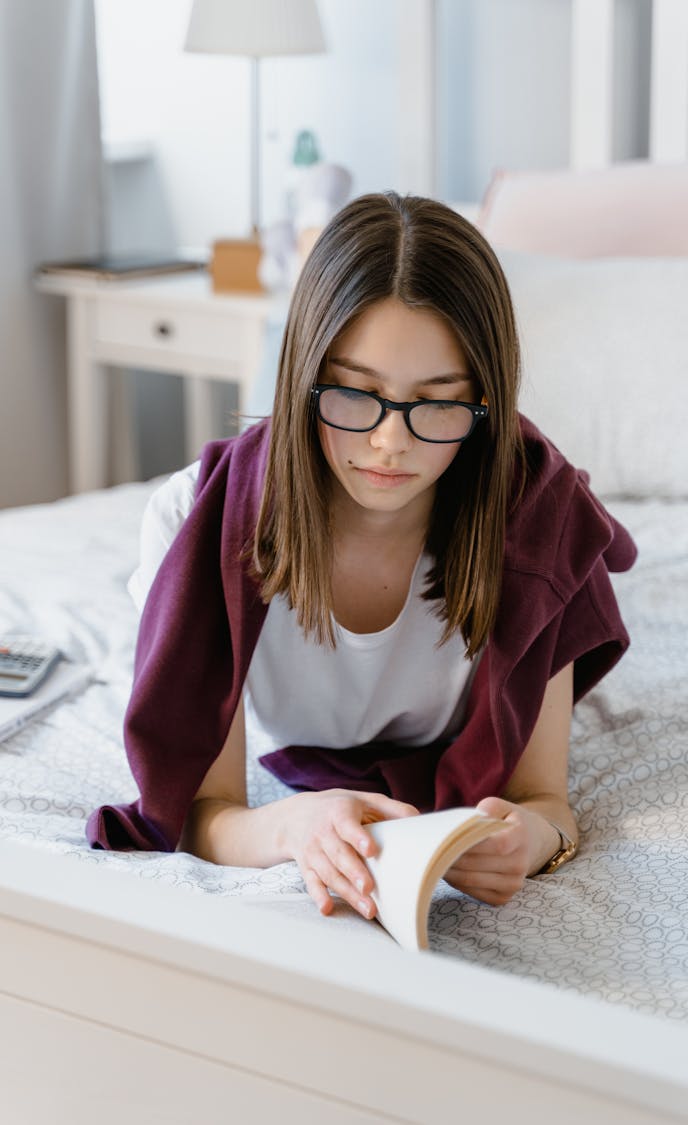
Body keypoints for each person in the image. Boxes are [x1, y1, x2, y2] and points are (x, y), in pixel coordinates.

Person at [86, 192, 637, 925]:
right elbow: (200, 809)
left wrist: (529, 839)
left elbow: (546, 801)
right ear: (305, 377)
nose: (389, 443)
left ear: (486, 404)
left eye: (437, 402)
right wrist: (295, 826)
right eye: (354, 393)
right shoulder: (198, 522)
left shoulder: (539, 522)